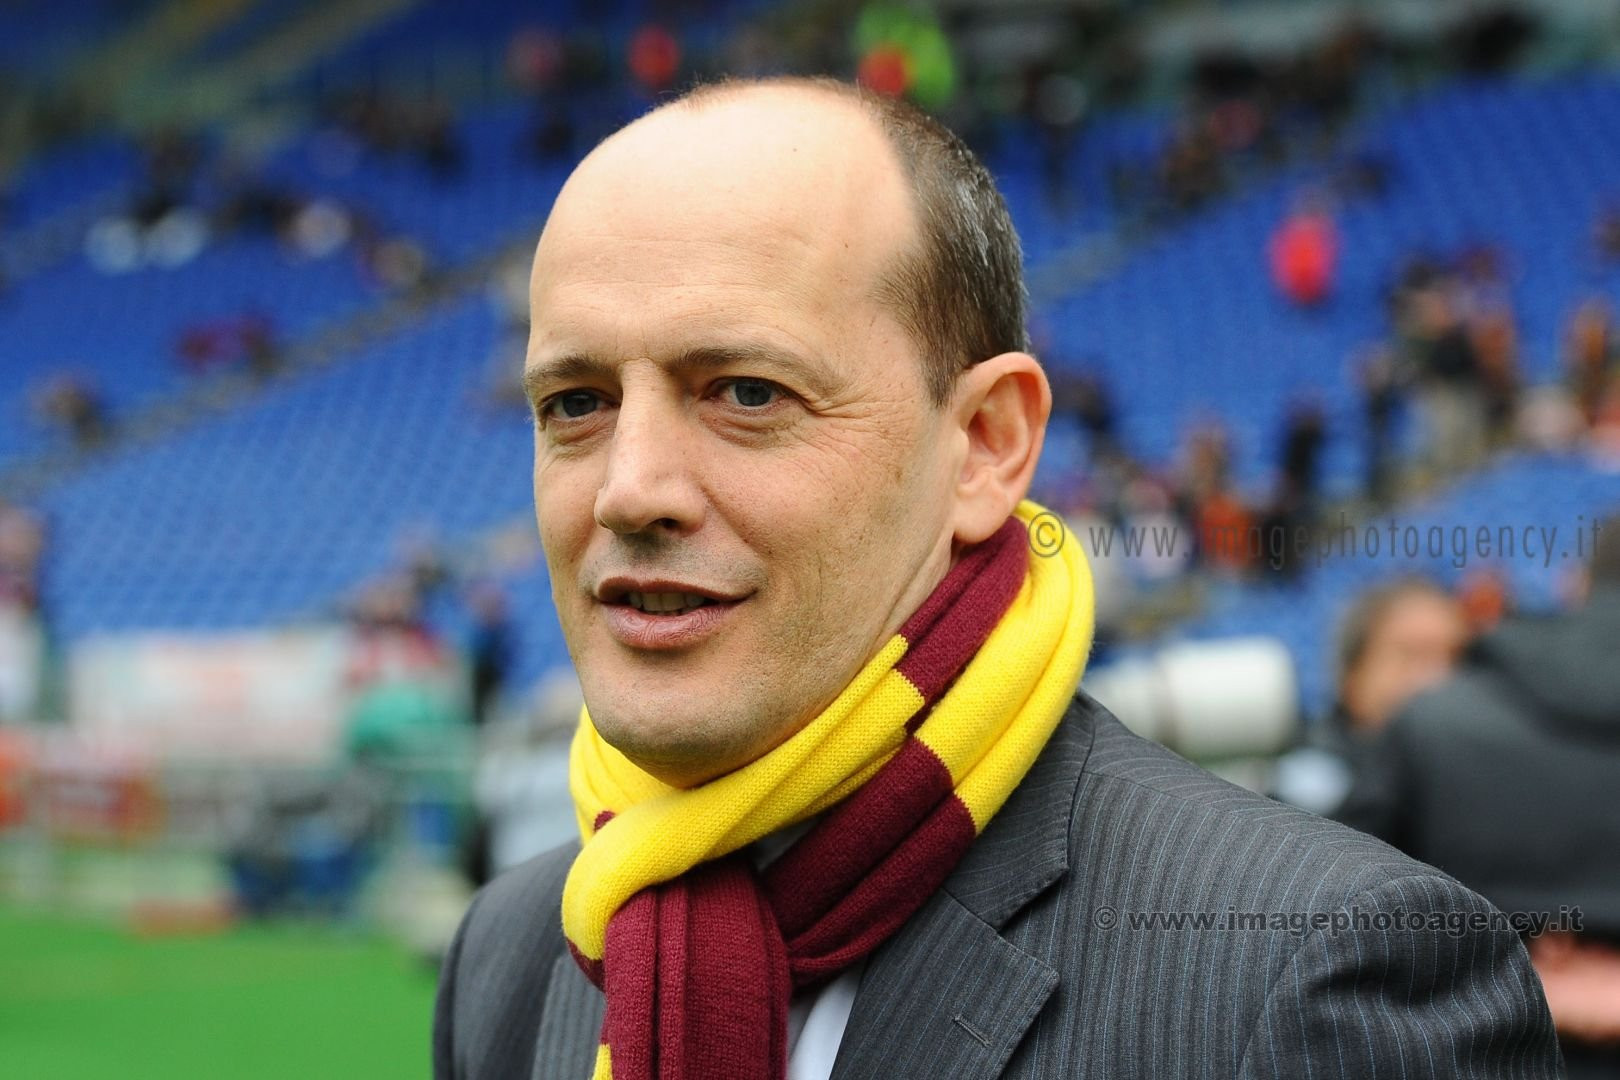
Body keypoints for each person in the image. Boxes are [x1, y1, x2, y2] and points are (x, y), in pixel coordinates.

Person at [433, 76, 1559, 1080]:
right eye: (574, 404)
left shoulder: (1318, 974)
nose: (629, 490)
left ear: (983, 446)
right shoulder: (514, 957)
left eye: (747, 392)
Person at [1337, 518, 1620, 1078]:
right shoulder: (1428, 725)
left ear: (1575, 583)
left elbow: (1338, 939)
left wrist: (1507, 981)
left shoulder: (1433, 725)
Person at [1272, 577, 1468, 817]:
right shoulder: (1308, 780)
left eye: (1456, 658)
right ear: (1352, 676)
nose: (1438, 677)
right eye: (1411, 655)